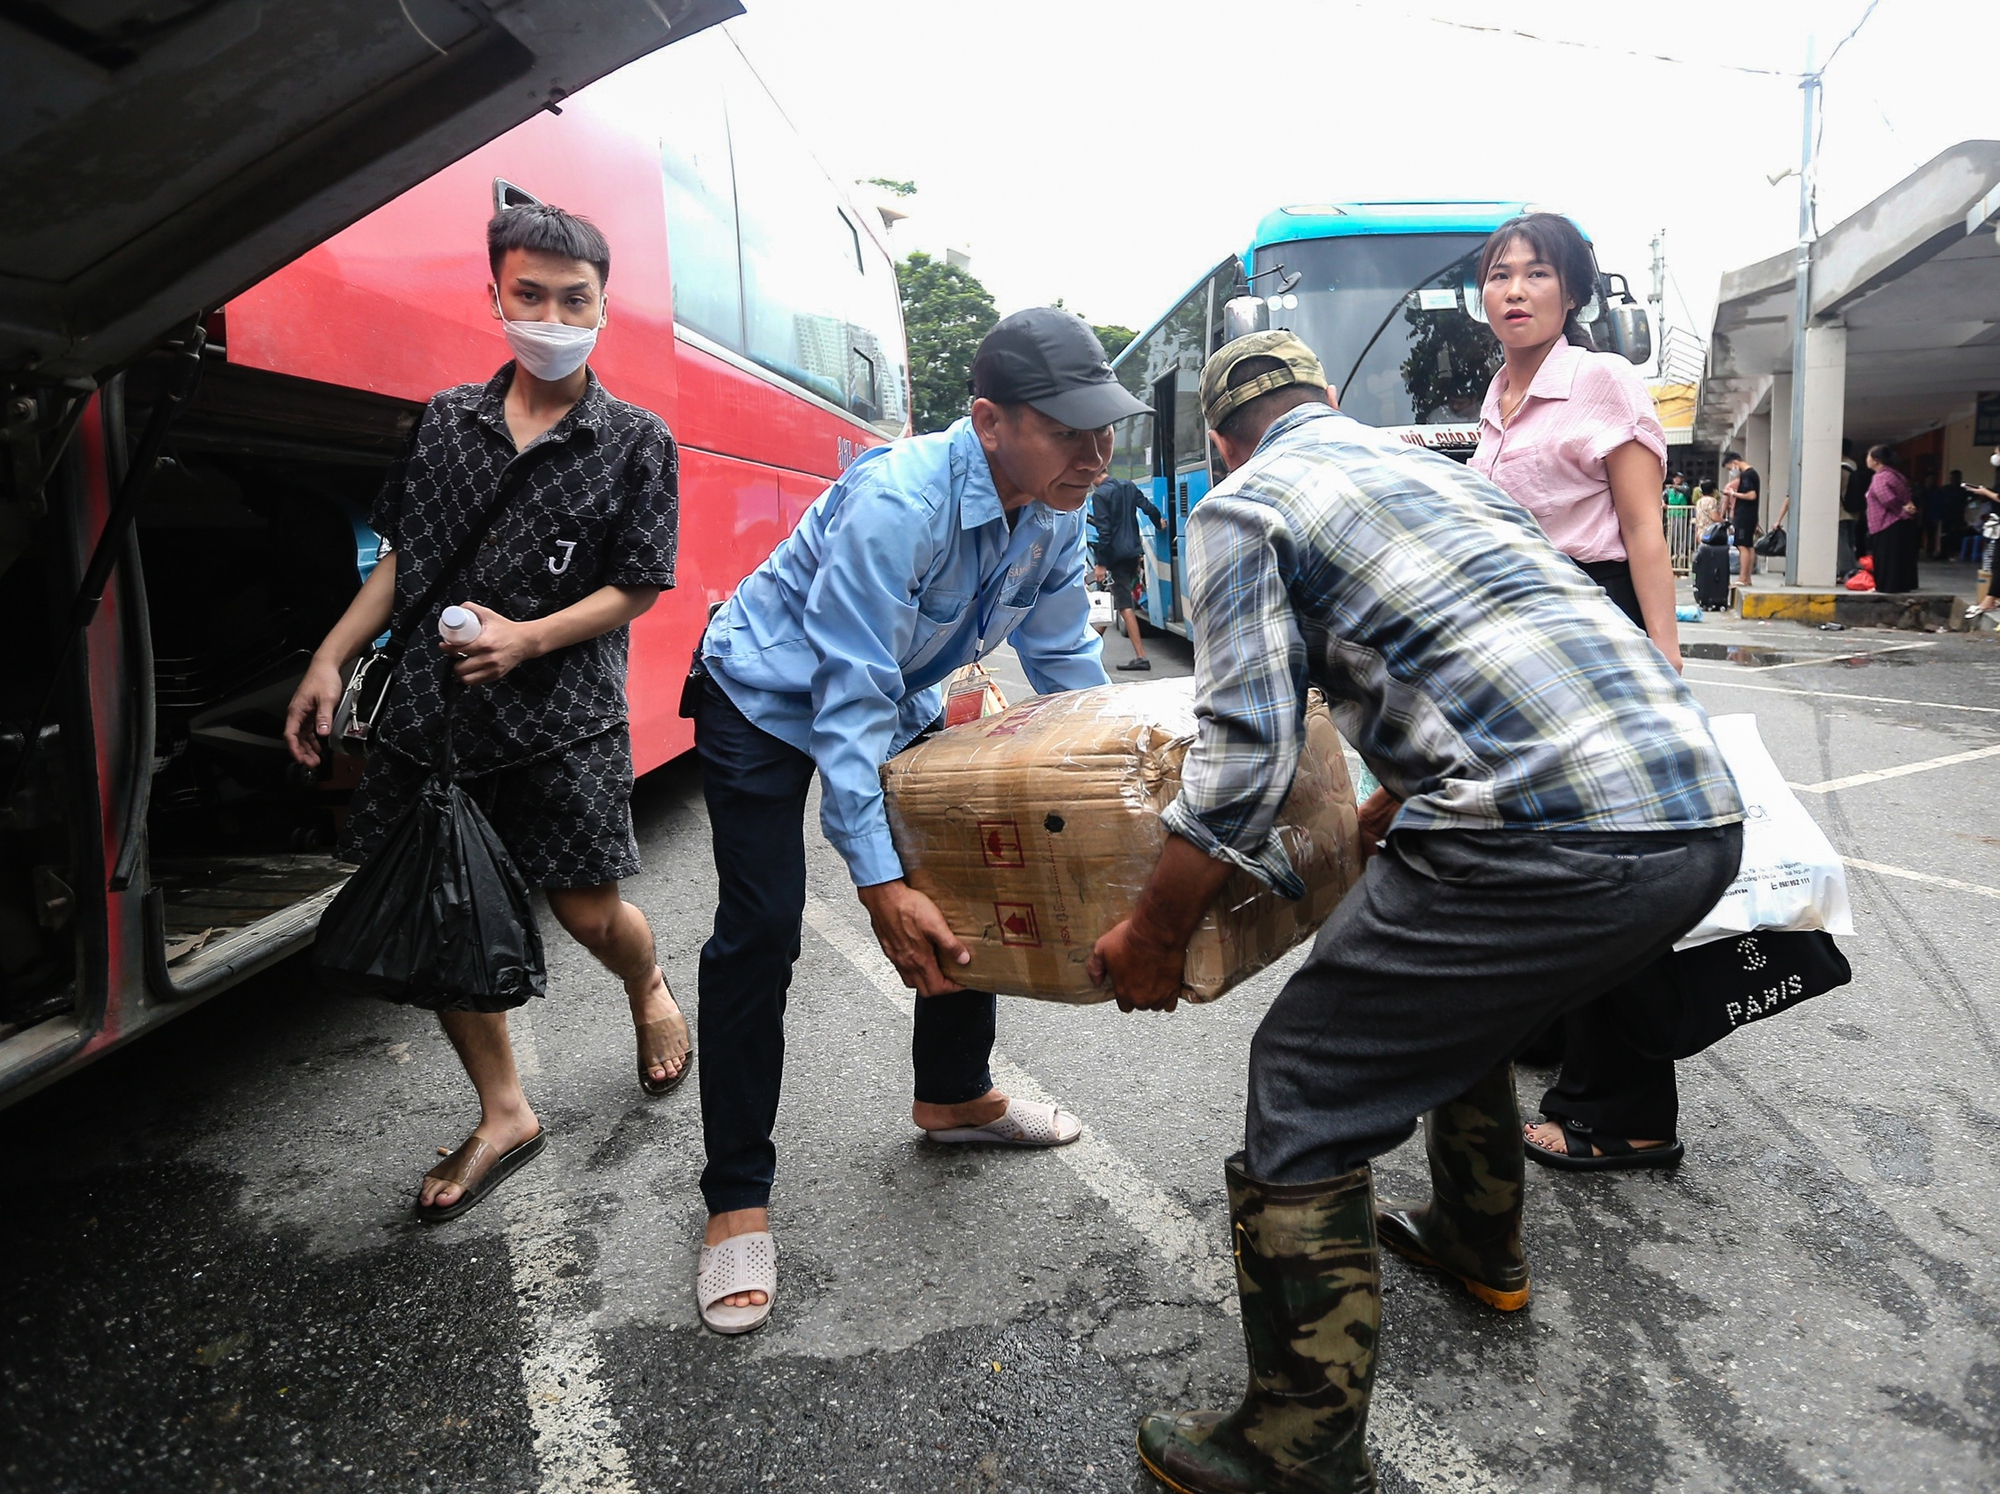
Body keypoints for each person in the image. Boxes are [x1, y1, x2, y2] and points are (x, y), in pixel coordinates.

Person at [1090, 333, 1742, 1494]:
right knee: (1456, 1007)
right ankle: (1475, 1241)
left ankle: (1294, 1446)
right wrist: (1395, 792)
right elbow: (1483, 652)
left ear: (1225, 442)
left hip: (1546, 834)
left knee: (1301, 1080)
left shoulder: (1241, 507)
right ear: (1326, 400)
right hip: (1693, 813)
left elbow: (1242, 755)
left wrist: (1152, 930)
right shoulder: (1440, 473)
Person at [687, 308, 1149, 1335]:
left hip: (889, 696)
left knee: (971, 856)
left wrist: (1116, 783)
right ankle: (734, 1199)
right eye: (1069, 429)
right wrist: (876, 882)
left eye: (1105, 426)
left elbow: (1064, 667)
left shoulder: (1058, 505)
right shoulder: (897, 502)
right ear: (987, 422)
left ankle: (954, 1097)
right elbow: (841, 698)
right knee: (761, 927)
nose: (1096, 452)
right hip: (763, 695)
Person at [282, 204, 686, 1222]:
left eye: (573, 298)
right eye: (530, 295)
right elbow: (407, 563)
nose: (552, 314)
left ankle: (644, 987)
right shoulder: (442, 423)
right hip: (438, 720)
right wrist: (331, 656)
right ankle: (504, 1111)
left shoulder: (635, 441)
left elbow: (638, 585)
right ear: (497, 297)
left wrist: (530, 637)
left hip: (565, 718)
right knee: (445, 911)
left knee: (588, 912)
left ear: (603, 304)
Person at [1470, 211, 1680, 670]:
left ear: (1571, 296)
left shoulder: (1604, 377)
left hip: (1594, 617)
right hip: (1514, 624)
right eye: (1499, 276)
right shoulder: (1495, 399)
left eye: (1537, 273)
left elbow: (1643, 525)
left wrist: (1666, 652)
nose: (1515, 291)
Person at [1088, 471, 1164, 670]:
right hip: (1132, 553)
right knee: (1107, 600)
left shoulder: (1100, 495)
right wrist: (1159, 524)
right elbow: (1149, 508)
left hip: (1116, 558)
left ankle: (1141, 656)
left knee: (1124, 605)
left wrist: (1101, 564)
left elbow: (1104, 532)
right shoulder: (1128, 486)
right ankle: (1086, 654)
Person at [1865, 444, 1921, 593]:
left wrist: (1900, 510)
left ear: (1876, 460)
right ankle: (1899, 585)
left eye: (1868, 456)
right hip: (1898, 522)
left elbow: (1886, 498)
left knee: (1887, 558)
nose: (1867, 460)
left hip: (1886, 521)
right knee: (1897, 556)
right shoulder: (1895, 474)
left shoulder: (1880, 477)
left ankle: (1887, 586)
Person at [1721, 450, 1762, 588]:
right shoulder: (1752, 473)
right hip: (1750, 515)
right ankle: (1747, 578)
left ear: (1735, 462)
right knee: (1749, 546)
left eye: (1730, 468)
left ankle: (1743, 577)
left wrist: (1733, 493)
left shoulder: (1747, 475)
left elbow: (1751, 495)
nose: (1732, 471)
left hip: (1744, 515)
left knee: (1742, 545)